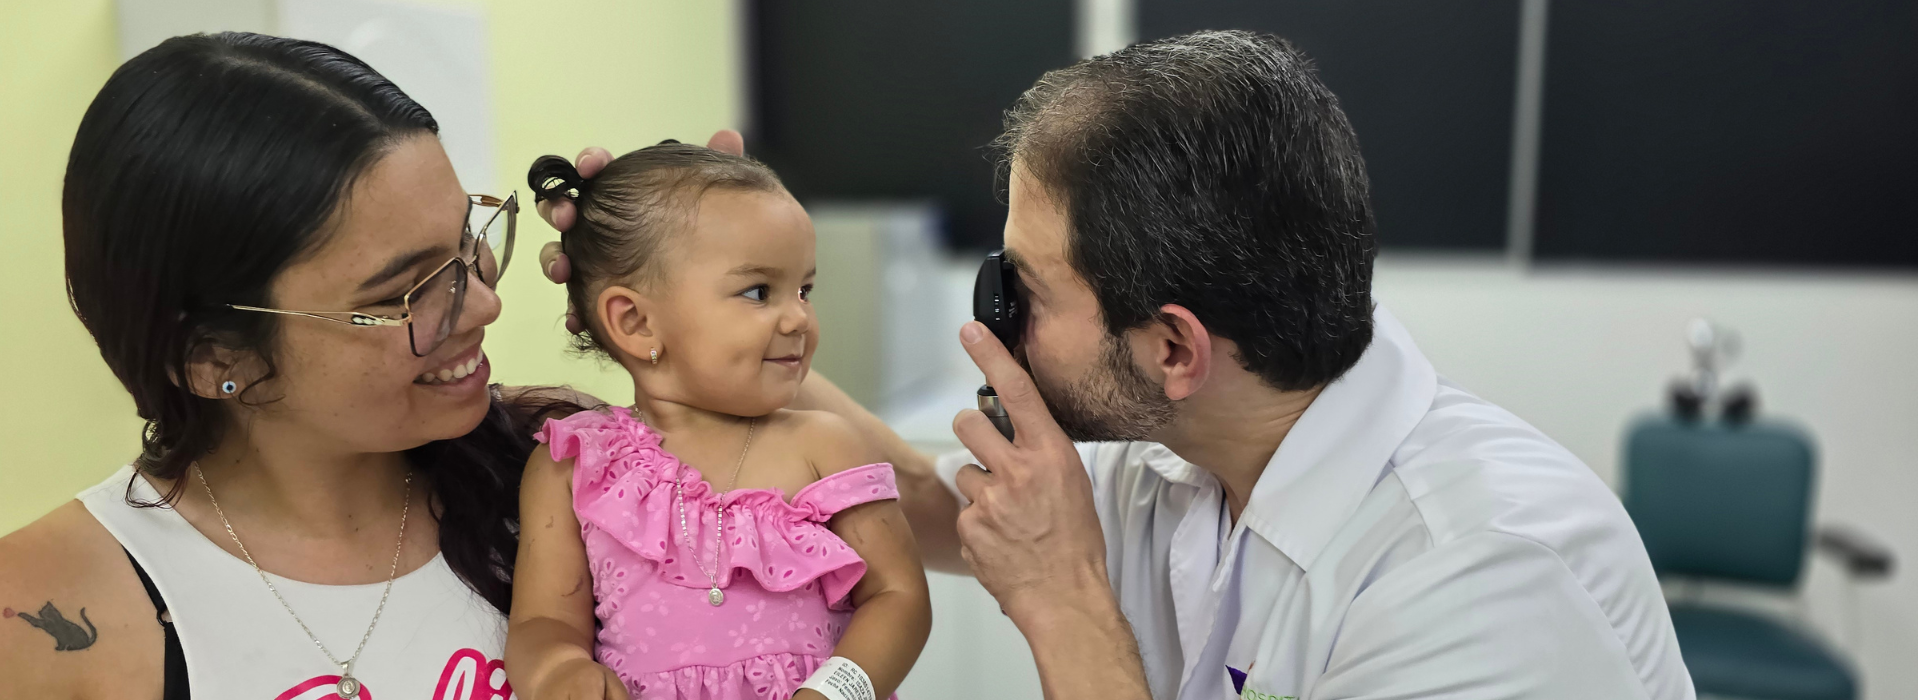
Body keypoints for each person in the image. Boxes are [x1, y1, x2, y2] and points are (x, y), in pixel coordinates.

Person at [543, 31, 1696, 700]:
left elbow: (1032, 562)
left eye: (1026, 292)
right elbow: (930, 510)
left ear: (1174, 346)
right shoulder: (1190, 447)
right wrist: (705, 335)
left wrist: (1067, 608)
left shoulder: (1483, 583)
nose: (993, 318)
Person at [0, 31, 743, 699]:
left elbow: (848, 554)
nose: (483, 305)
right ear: (212, 357)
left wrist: (723, 318)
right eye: (406, 292)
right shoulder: (45, 612)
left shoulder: (582, 479)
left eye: (467, 242)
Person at [505, 145, 931, 699]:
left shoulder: (824, 444)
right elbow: (544, 622)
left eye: (805, 289)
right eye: (759, 292)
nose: (800, 316)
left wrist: (833, 692)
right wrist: (557, 671)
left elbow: (899, 597)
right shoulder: (573, 465)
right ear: (634, 321)